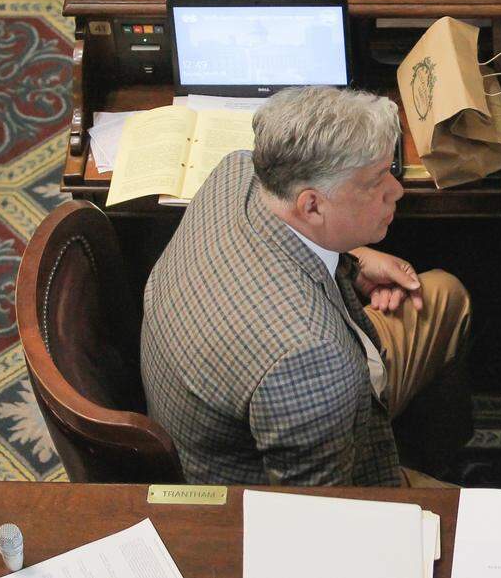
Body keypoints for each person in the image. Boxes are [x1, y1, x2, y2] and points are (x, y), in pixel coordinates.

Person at [141, 87, 471, 487]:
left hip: (240, 387)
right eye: (376, 180)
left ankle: (432, 453)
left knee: (443, 296)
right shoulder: (312, 361)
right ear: (312, 206)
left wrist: (353, 261)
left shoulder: (238, 172)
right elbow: (315, 518)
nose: (397, 190)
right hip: (261, 503)